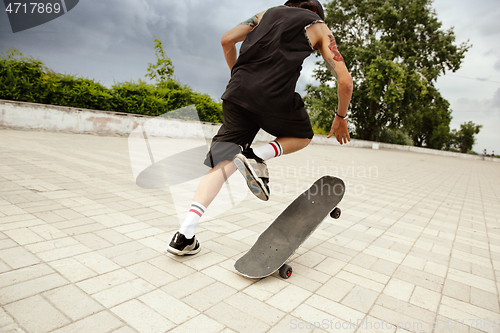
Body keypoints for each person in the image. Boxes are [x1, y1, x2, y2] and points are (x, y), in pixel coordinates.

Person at [166, 0, 353, 255]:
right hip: (274, 96)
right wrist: (340, 116)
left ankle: (185, 234)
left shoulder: (266, 14)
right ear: (315, 13)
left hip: (237, 94)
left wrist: (238, 78)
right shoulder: (319, 27)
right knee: (302, 135)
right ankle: (256, 156)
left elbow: (226, 40)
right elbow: (345, 82)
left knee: (221, 166)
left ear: (290, 4)